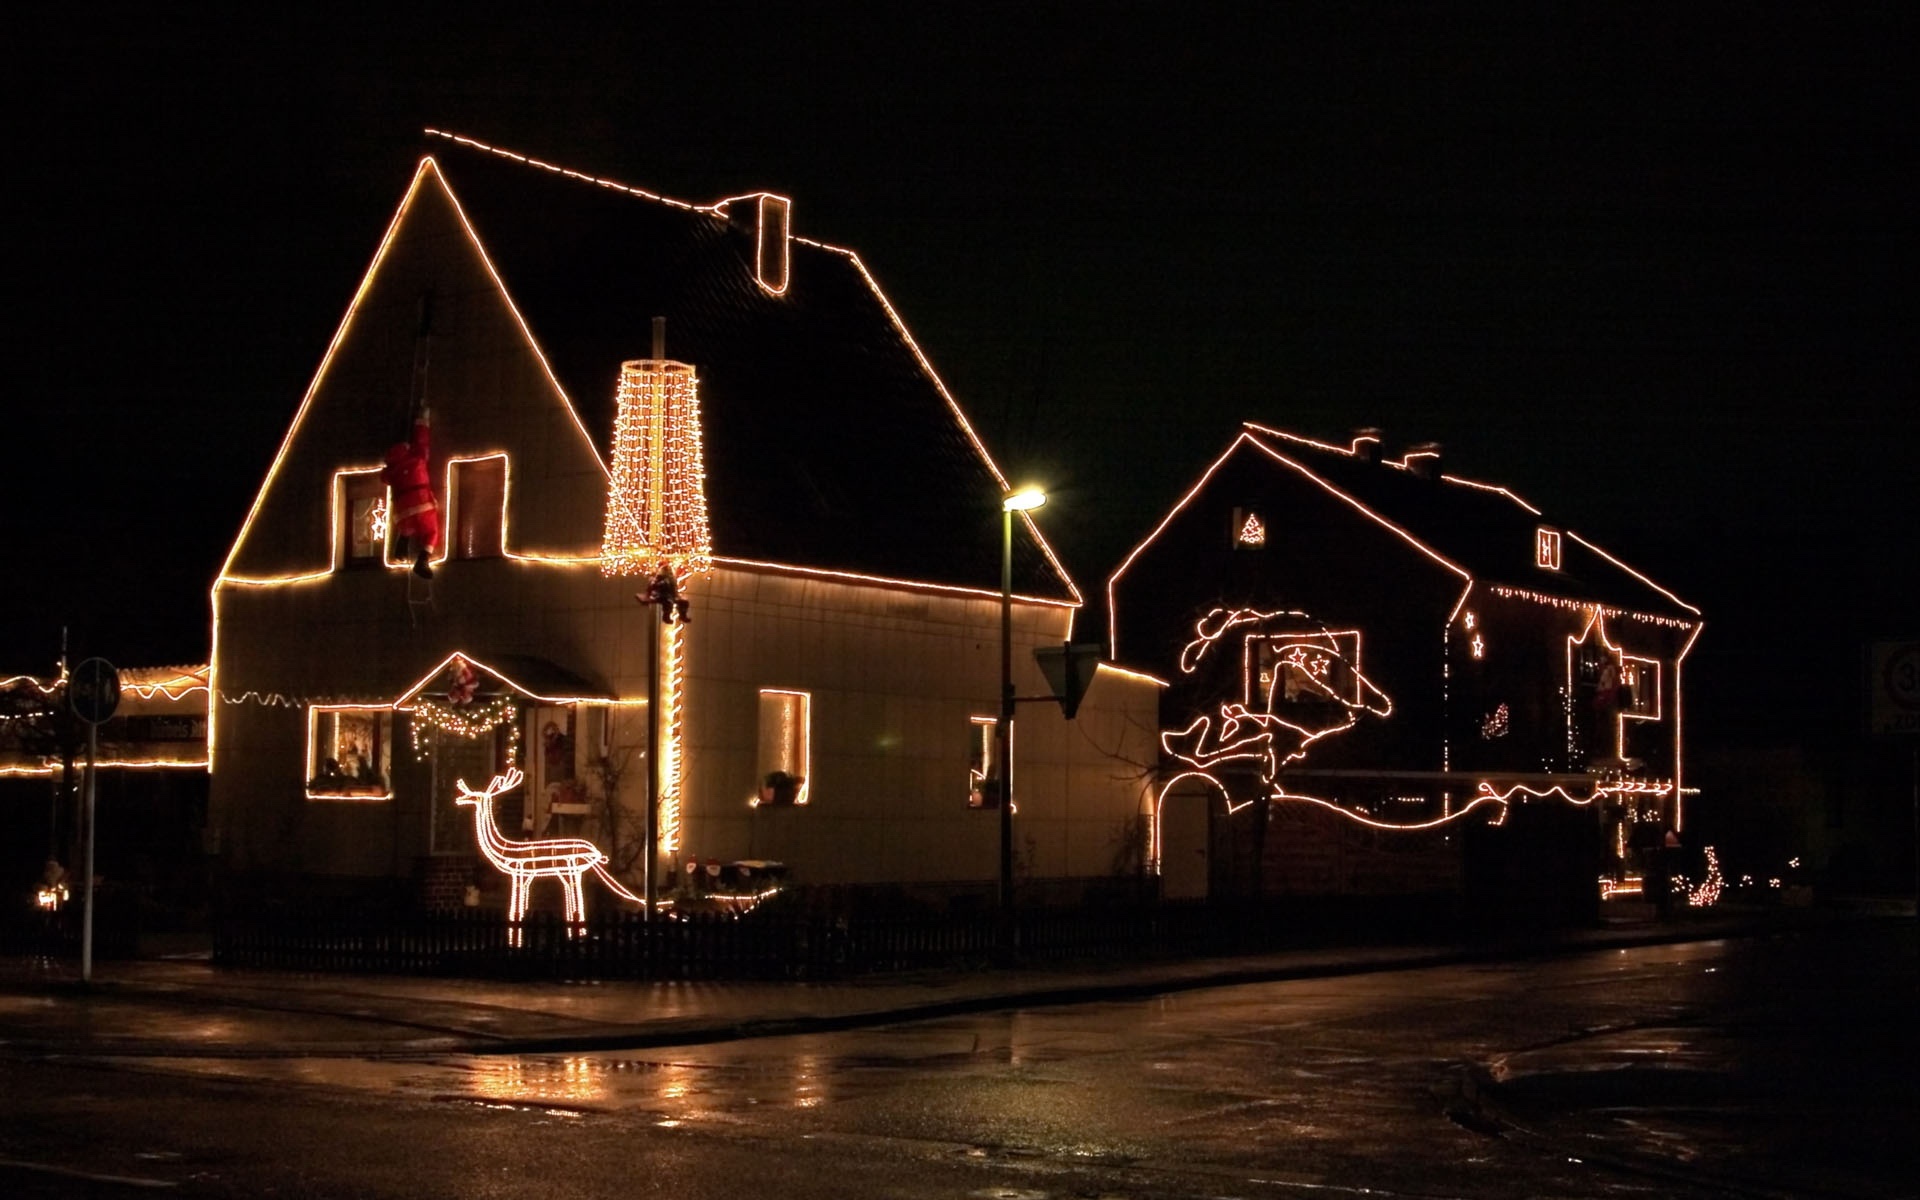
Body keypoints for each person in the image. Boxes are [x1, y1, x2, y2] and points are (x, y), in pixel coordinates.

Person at [382, 403, 441, 579]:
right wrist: (424, 417)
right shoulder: (416, 457)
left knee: (408, 526)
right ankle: (422, 560)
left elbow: (384, 477)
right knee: (431, 532)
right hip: (421, 501)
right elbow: (422, 439)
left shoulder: (391, 469)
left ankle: (401, 544)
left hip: (401, 510)